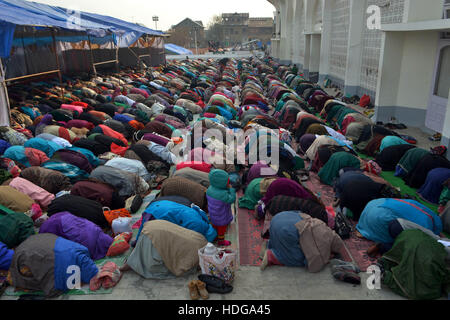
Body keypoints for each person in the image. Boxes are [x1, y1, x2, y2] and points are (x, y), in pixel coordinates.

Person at [206, 169, 236, 247]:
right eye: (227, 182)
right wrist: (232, 189)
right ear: (222, 183)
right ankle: (221, 241)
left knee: (215, 227)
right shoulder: (223, 194)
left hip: (213, 215)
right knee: (221, 231)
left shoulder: (209, 189)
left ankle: (214, 236)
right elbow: (232, 199)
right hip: (222, 218)